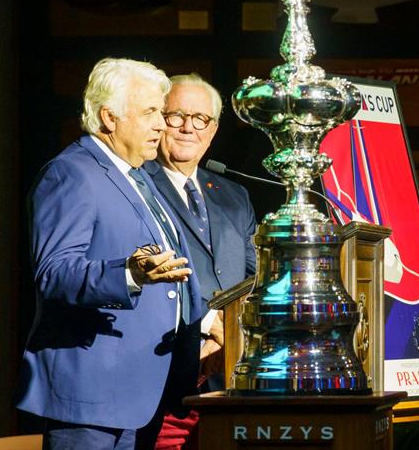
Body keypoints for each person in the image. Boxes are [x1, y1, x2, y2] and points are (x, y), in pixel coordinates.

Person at [14, 58, 205, 450]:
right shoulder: (71, 173)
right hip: (95, 398)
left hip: (146, 394)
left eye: (161, 112)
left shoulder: (138, 177)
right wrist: (130, 275)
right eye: (151, 112)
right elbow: (55, 271)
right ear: (109, 117)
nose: (161, 125)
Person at [144, 73, 256, 449]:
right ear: (159, 120)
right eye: (176, 116)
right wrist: (207, 327)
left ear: (213, 129)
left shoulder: (234, 194)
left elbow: (255, 278)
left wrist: (231, 336)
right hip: (164, 376)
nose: (188, 127)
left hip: (230, 378)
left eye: (200, 119)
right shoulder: (136, 186)